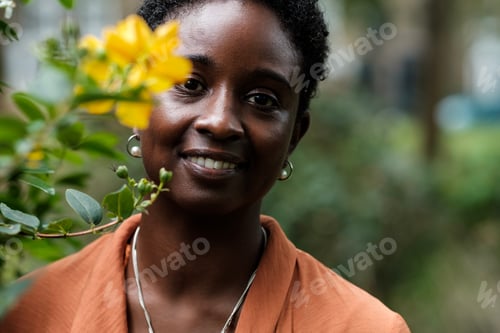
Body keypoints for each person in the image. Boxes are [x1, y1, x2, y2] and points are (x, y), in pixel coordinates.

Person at [0, 0, 411, 332]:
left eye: (263, 99)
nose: (219, 121)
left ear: (294, 136)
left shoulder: (362, 326)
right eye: (190, 84)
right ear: (136, 102)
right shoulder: (27, 314)